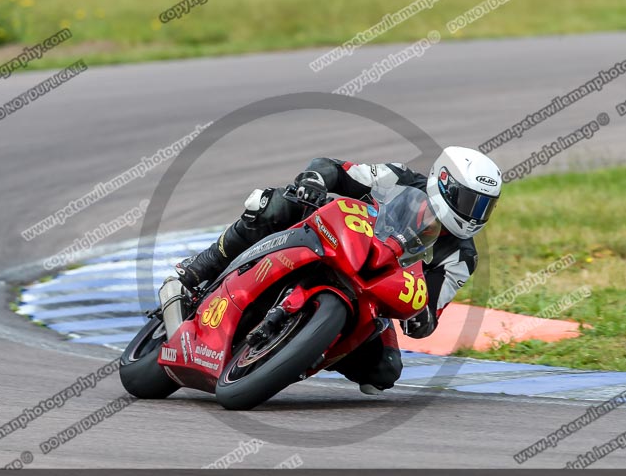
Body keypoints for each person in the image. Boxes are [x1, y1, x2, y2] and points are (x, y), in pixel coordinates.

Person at [176, 146, 502, 394]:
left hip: (373, 292)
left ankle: (299, 351)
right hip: (338, 240)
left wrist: (421, 319)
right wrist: (314, 181)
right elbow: (335, 169)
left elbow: (430, 310)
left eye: (484, 206)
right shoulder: (399, 178)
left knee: (384, 372)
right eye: (471, 202)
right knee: (272, 204)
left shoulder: (462, 257)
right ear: (444, 182)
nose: (475, 215)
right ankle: (199, 268)